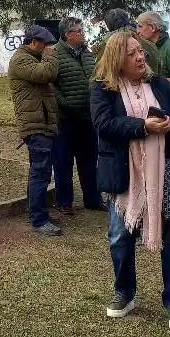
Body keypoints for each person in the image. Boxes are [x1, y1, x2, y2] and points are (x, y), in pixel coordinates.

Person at [91, 29, 170, 331]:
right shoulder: (102, 88)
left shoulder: (159, 83)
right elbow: (103, 124)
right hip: (125, 176)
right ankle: (124, 293)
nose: (140, 56)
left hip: (167, 171)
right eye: (132, 53)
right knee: (120, 237)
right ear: (116, 59)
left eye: (141, 51)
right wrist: (143, 126)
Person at [8, 25, 61, 236]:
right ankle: (39, 220)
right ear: (33, 43)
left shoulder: (31, 57)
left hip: (42, 123)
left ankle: (37, 213)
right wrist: (50, 55)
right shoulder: (21, 60)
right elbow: (47, 73)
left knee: (40, 171)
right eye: (46, 44)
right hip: (34, 124)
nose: (50, 48)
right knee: (40, 173)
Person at [52, 16, 102, 214]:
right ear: (68, 35)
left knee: (89, 161)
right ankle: (64, 202)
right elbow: (50, 85)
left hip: (88, 117)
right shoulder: (55, 55)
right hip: (66, 119)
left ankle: (93, 199)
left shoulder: (88, 55)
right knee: (63, 161)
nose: (83, 34)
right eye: (79, 31)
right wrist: (65, 103)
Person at [137, 11, 170, 107]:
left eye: (140, 26)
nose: (137, 31)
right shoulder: (148, 49)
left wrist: (153, 81)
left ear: (153, 28)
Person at [96, 7, 161, 75]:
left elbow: (99, 75)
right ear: (127, 20)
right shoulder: (151, 45)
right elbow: (159, 71)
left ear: (109, 26)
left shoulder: (107, 47)